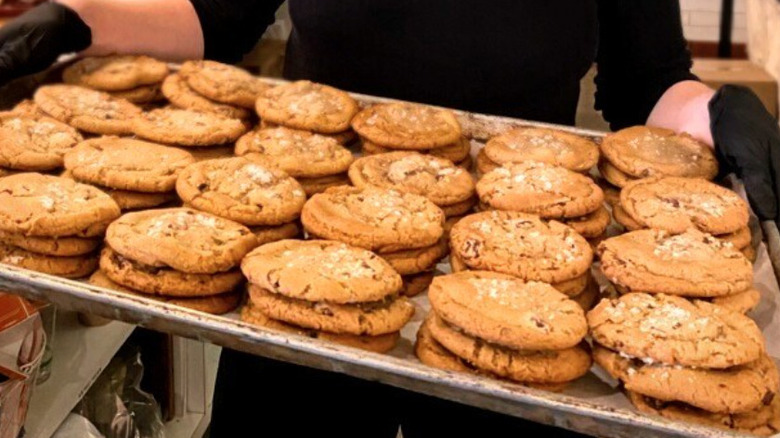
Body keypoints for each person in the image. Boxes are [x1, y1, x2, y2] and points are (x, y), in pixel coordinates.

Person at [1, 1, 779, 436]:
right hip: (307, 280)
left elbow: (648, 83)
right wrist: (79, 18)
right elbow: (215, 11)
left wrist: (715, 110)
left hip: (513, 269)